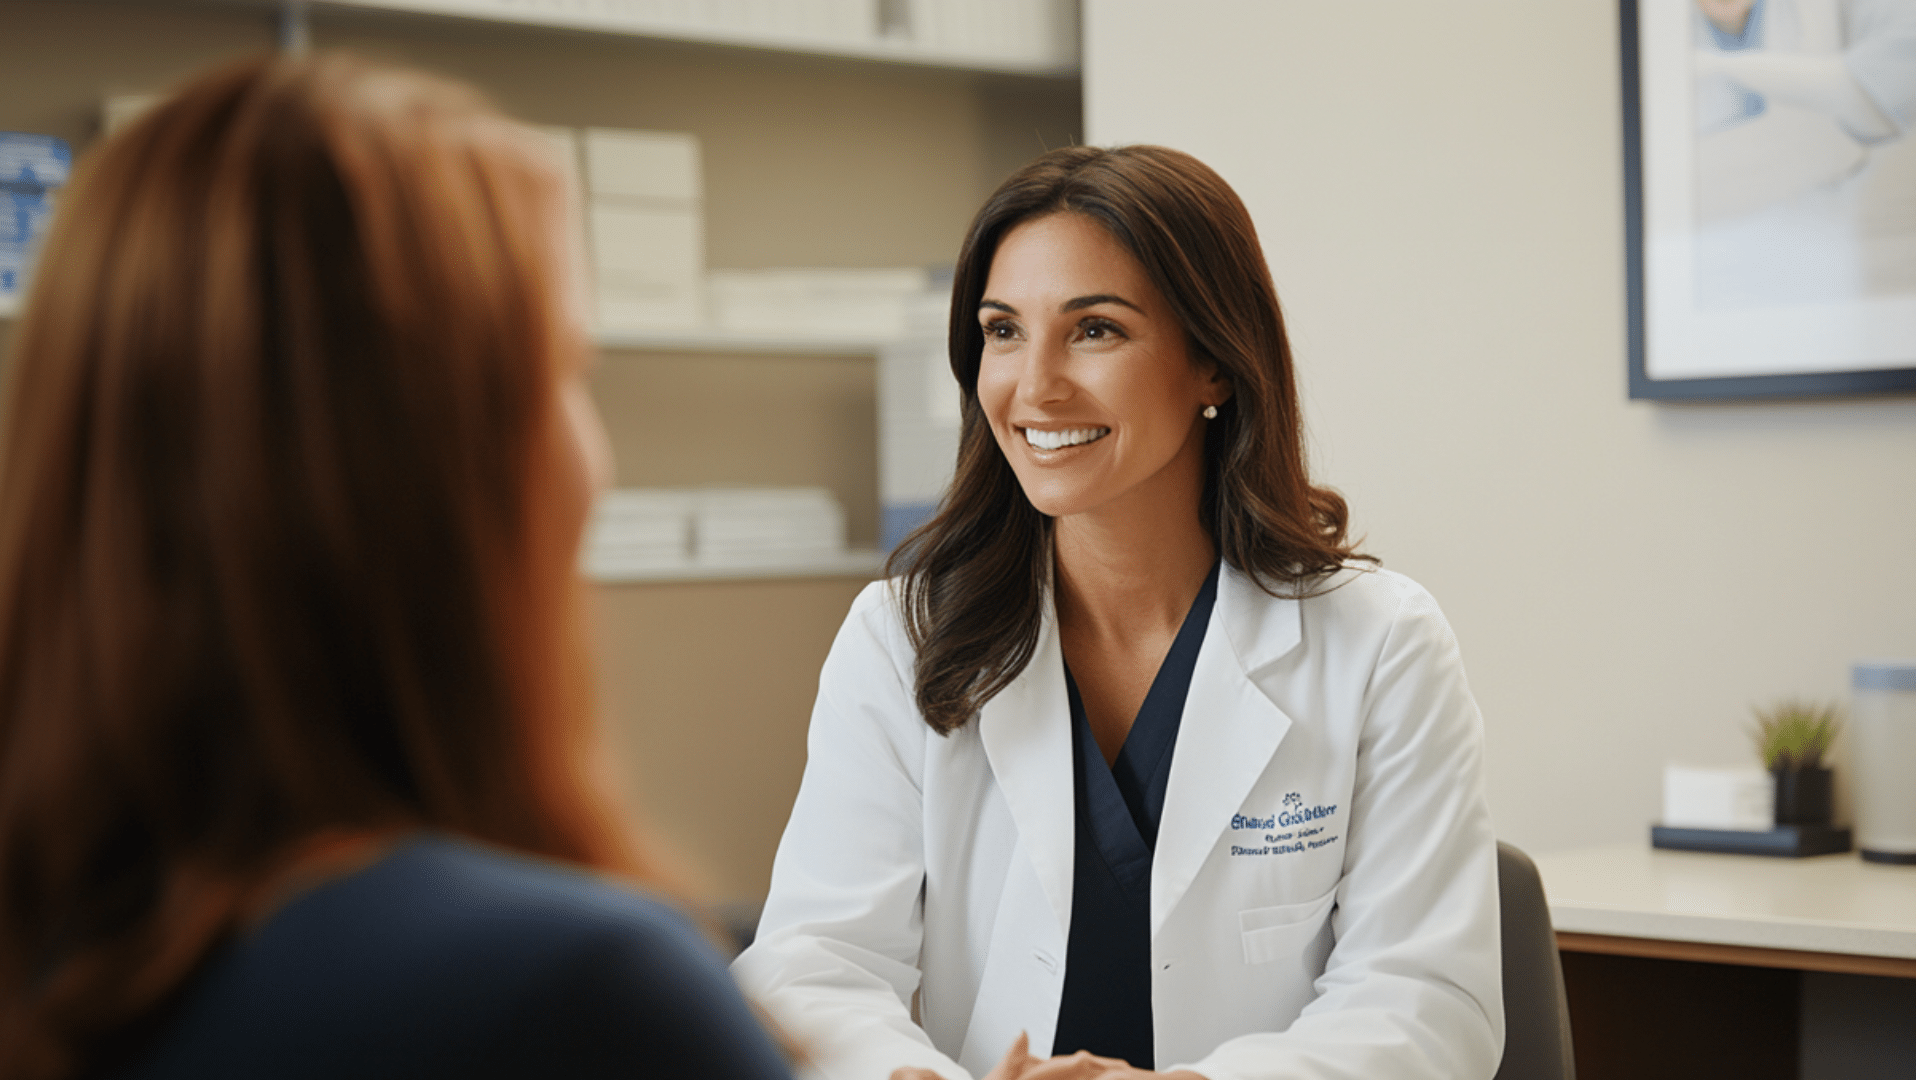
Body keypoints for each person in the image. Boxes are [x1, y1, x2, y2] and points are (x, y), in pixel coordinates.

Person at [0, 55, 792, 1080]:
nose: (597, 459)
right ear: (429, 467)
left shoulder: (68, 944)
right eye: (564, 370)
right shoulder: (578, 996)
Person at [732, 146, 1503, 1080]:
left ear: (1214, 363)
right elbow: (812, 969)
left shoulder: (1379, 646)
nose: (1036, 386)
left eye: (1094, 331)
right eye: (1004, 331)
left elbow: (1425, 1003)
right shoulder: (901, 639)